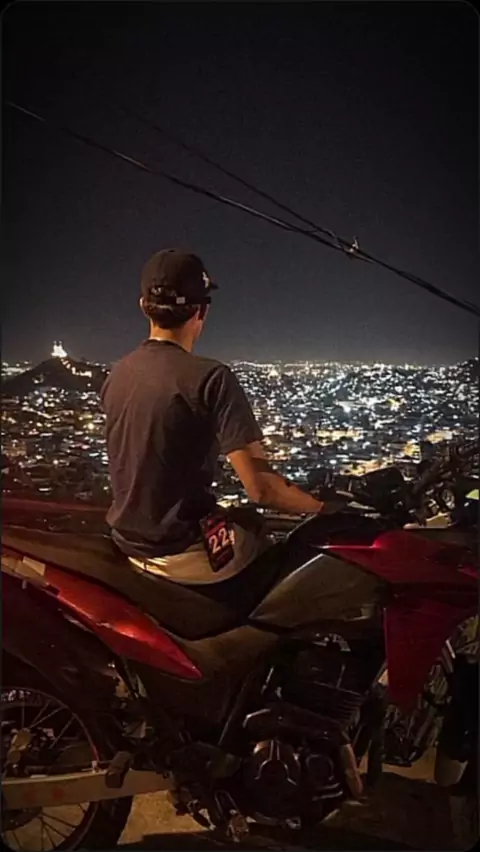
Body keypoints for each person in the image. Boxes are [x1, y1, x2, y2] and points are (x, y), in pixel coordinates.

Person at [101, 248, 339, 591]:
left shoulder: (118, 373)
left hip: (127, 545)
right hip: (183, 554)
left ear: (143, 306)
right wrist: (324, 508)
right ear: (202, 310)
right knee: (269, 546)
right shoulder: (211, 378)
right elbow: (262, 490)